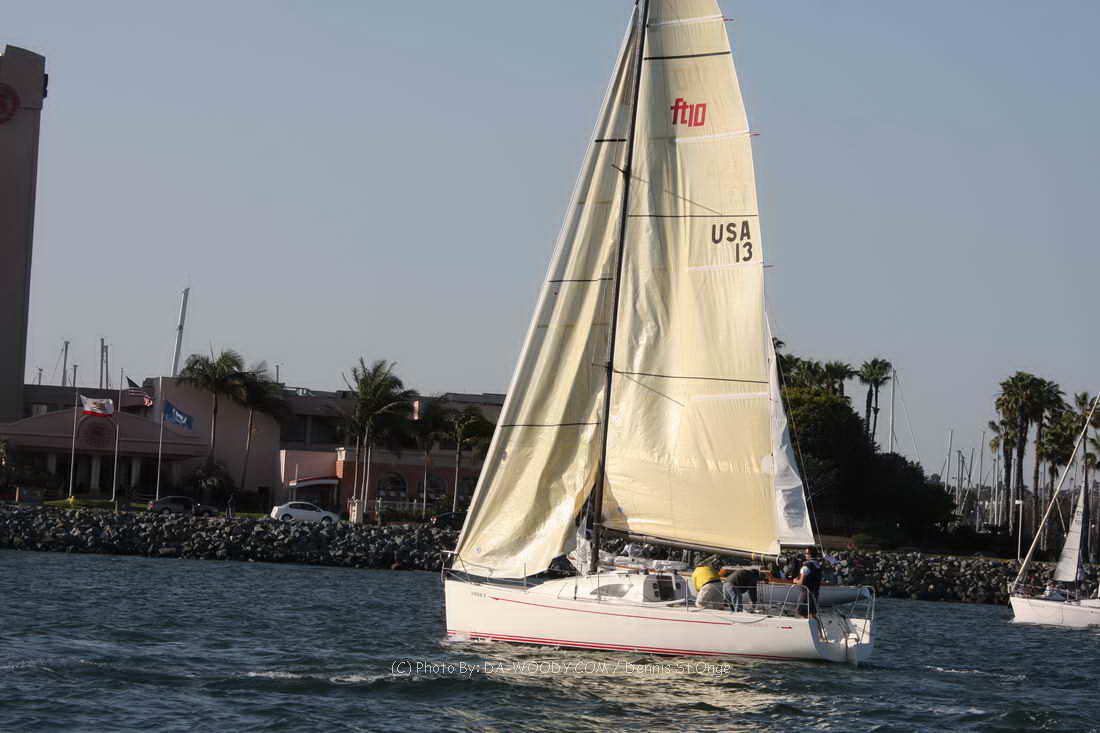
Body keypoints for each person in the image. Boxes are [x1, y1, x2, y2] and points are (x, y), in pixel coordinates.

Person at [793, 547, 822, 619]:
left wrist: (795, 581)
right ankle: (817, 625)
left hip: (806, 594)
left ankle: (805, 625)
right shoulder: (818, 565)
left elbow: (801, 582)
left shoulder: (806, 566)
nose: (805, 555)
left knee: (800, 613)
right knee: (812, 614)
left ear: (809, 554)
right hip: (815, 593)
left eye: (805, 553)